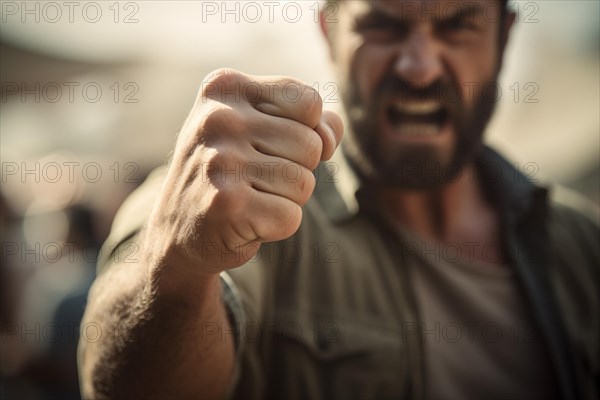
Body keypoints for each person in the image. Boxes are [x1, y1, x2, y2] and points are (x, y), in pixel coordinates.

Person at [78, 1, 599, 399]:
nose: (419, 67)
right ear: (329, 32)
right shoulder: (248, 205)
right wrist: (178, 268)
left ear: (503, 39)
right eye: (383, 26)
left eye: (458, 26)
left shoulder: (583, 246)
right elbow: (123, 380)